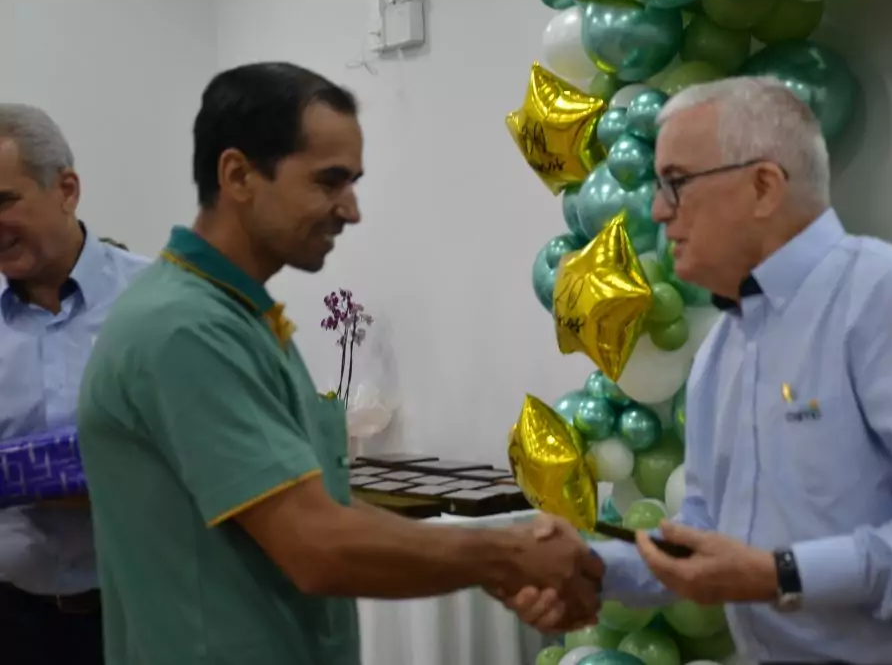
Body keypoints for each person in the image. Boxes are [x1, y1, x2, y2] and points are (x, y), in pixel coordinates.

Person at [75, 62, 602, 665]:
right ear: (238, 174)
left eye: (351, 182)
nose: (350, 211)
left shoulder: (239, 316)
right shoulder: (184, 330)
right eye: (328, 182)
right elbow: (316, 546)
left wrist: (492, 558)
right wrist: (505, 556)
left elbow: (321, 505)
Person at [510, 77, 892, 664]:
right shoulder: (721, 350)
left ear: (762, 186)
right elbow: (703, 540)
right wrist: (590, 567)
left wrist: (778, 574)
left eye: (675, 183)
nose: (657, 210)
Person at [0, 104, 149, 665]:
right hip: (11, 622)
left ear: (66, 189)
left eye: (3, 202)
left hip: (139, 614)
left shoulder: (159, 302)